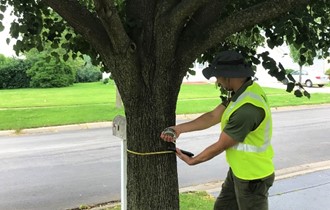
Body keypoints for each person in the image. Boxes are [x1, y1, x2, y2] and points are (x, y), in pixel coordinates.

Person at [160, 50, 275, 210]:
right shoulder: (243, 93)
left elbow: (221, 145)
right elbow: (213, 116)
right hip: (238, 172)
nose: (217, 82)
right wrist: (178, 129)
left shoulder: (247, 109)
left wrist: (194, 160)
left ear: (228, 75)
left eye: (218, 77)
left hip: (253, 179)